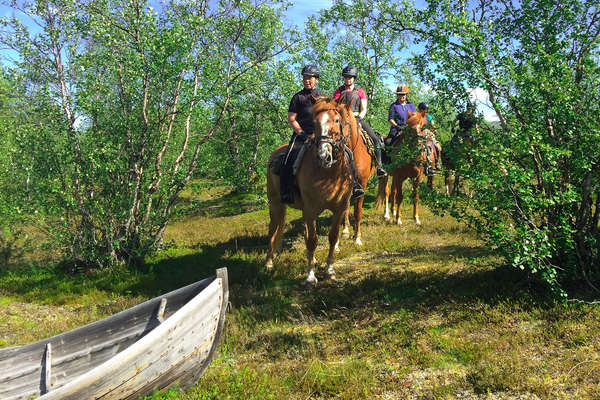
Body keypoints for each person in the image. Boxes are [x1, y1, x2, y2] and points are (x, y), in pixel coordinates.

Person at [281, 65, 364, 203]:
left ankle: (354, 186)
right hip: (302, 134)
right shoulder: (297, 98)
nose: (307, 80)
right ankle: (286, 191)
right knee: (288, 158)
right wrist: (301, 133)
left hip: (322, 135)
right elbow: (292, 119)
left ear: (316, 80)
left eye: (310, 78)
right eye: (305, 77)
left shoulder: (324, 98)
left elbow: (333, 116)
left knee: (348, 154)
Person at [333, 65, 387, 177]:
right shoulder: (339, 91)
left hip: (357, 119)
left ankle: (379, 166)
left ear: (354, 78)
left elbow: (364, 109)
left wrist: (358, 119)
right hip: (342, 122)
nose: (348, 79)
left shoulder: (360, 91)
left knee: (376, 139)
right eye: (346, 77)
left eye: (350, 77)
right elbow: (335, 107)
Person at [417, 102, 442, 171]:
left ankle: (436, 162)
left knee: (437, 146)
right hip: (419, 134)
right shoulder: (416, 116)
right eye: (422, 109)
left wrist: (434, 129)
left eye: (425, 109)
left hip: (428, 134)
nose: (424, 111)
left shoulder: (429, 117)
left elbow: (432, 124)